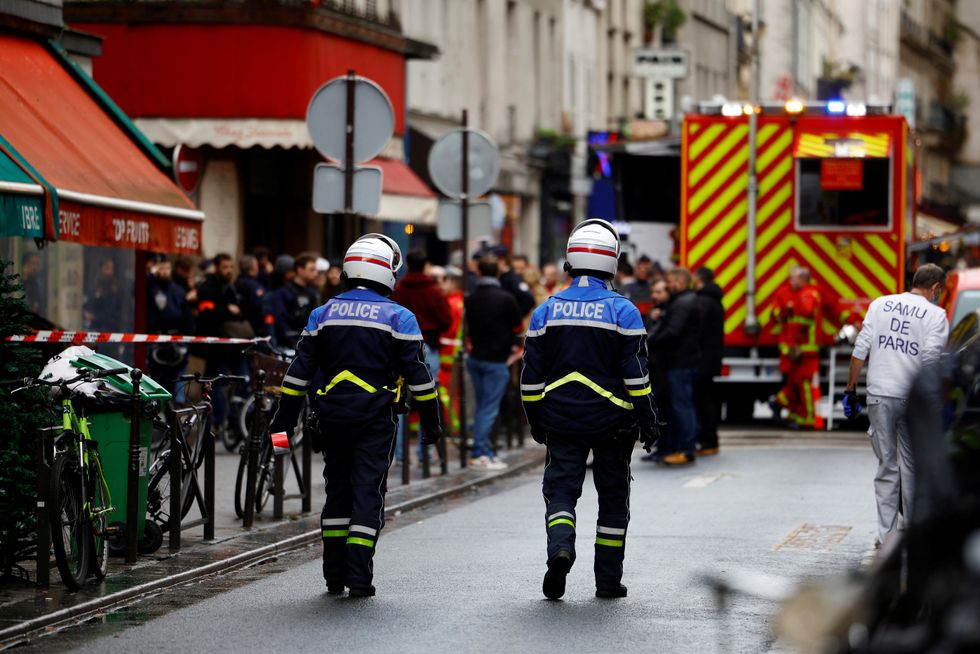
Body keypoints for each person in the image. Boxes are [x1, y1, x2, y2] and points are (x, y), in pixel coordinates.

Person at [270, 233, 442, 597]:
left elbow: (297, 373)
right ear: (387, 272)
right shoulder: (399, 316)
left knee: (337, 492)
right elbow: (420, 378)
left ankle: (333, 575)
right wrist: (431, 421)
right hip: (375, 419)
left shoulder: (322, 314)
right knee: (367, 493)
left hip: (330, 418)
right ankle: (359, 577)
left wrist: (282, 420)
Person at [521, 218, 661, 600]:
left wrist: (537, 421)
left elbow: (530, 381)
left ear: (571, 260)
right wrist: (648, 422)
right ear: (612, 262)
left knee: (561, 493)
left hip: (561, 421)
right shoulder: (624, 312)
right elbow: (637, 378)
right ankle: (607, 582)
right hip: (614, 424)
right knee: (613, 501)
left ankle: (561, 548)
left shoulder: (545, 311)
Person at [843, 263, 948, 548]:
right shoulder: (936, 315)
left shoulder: (880, 305)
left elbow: (860, 350)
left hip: (879, 395)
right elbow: (930, 363)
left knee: (887, 467)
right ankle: (913, 535)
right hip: (911, 400)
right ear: (936, 288)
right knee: (912, 468)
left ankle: (886, 537)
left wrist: (850, 389)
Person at [391, 250, 452, 464]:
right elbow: (446, 319)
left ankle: (397, 453)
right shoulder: (433, 291)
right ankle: (423, 451)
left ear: (407, 265)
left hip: (399, 347)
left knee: (398, 398)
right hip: (429, 345)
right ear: (425, 265)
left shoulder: (398, 290)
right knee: (427, 395)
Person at [464, 256, 523, 469]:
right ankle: (481, 453)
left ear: (478, 272)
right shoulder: (505, 298)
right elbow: (517, 326)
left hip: (476, 357)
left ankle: (485, 450)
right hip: (497, 360)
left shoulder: (471, 298)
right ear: (497, 273)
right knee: (488, 409)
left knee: (482, 407)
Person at [647, 267, 701, 465]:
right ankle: (684, 447)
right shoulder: (683, 301)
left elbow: (672, 331)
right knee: (682, 405)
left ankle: (686, 449)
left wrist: (649, 342)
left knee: (682, 407)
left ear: (678, 281)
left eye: (669, 282)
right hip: (681, 361)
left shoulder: (682, 303)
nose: (668, 285)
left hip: (679, 362)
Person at [196, 253, 252, 429]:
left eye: (231, 267)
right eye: (225, 267)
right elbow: (206, 315)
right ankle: (218, 420)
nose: (229, 270)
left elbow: (242, 310)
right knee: (215, 383)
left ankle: (235, 419)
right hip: (218, 346)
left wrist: (238, 310)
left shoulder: (231, 287)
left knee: (245, 380)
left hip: (235, 345)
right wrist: (228, 310)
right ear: (217, 267)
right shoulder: (208, 287)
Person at [769, 267, 822, 429]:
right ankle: (788, 409)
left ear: (803, 279)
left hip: (805, 350)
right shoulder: (785, 293)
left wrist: (792, 307)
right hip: (791, 350)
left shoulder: (809, 294)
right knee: (794, 383)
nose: (790, 281)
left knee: (802, 385)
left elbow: (805, 314)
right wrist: (785, 310)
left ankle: (796, 413)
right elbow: (775, 314)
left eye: (793, 278)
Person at [147, 256, 194, 398]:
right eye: (161, 268)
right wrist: (150, 275)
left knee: (178, 380)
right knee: (157, 380)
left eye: (167, 268)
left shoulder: (177, 290)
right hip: (156, 339)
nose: (165, 272)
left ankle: (177, 409)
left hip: (176, 341)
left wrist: (188, 341)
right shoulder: (150, 286)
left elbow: (187, 317)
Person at [640, 279, 674, 461]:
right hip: (655, 366)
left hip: (664, 367)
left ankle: (666, 447)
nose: (654, 296)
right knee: (658, 408)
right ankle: (660, 447)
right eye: (653, 292)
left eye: (659, 292)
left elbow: (655, 338)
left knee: (665, 409)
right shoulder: (656, 312)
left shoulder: (668, 311)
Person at [694, 267, 724, 456]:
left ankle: (708, 440)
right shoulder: (715, 301)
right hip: (711, 357)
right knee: (707, 398)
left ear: (699, 280)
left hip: (702, 358)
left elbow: (697, 330)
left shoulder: (703, 302)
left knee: (702, 400)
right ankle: (709, 440)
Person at [266, 255, 321, 347]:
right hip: (289, 344)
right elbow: (281, 321)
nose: (316, 273)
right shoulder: (284, 292)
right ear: (300, 270)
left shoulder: (314, 293)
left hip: (310, 342)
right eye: (311, 270)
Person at [438, 266, 465, 435]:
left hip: (447, 355)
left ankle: (451, 427)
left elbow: (448, 330)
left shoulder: (451, 303)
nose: (441, 285)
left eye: (444, 281)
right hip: (454, 355)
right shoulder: (460, 301)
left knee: (447, 394)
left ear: (453, 282)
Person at [491, 245, 535, 316]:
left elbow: (529, 300)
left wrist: (516, 317)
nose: (519, 271)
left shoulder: (513, 279)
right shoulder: (498, 277)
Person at [235, 254, 268, 337]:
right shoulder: (253, 286)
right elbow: (261, 305)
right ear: (253, 268)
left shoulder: (237, 282)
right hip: (255, 326)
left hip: (243, 324)